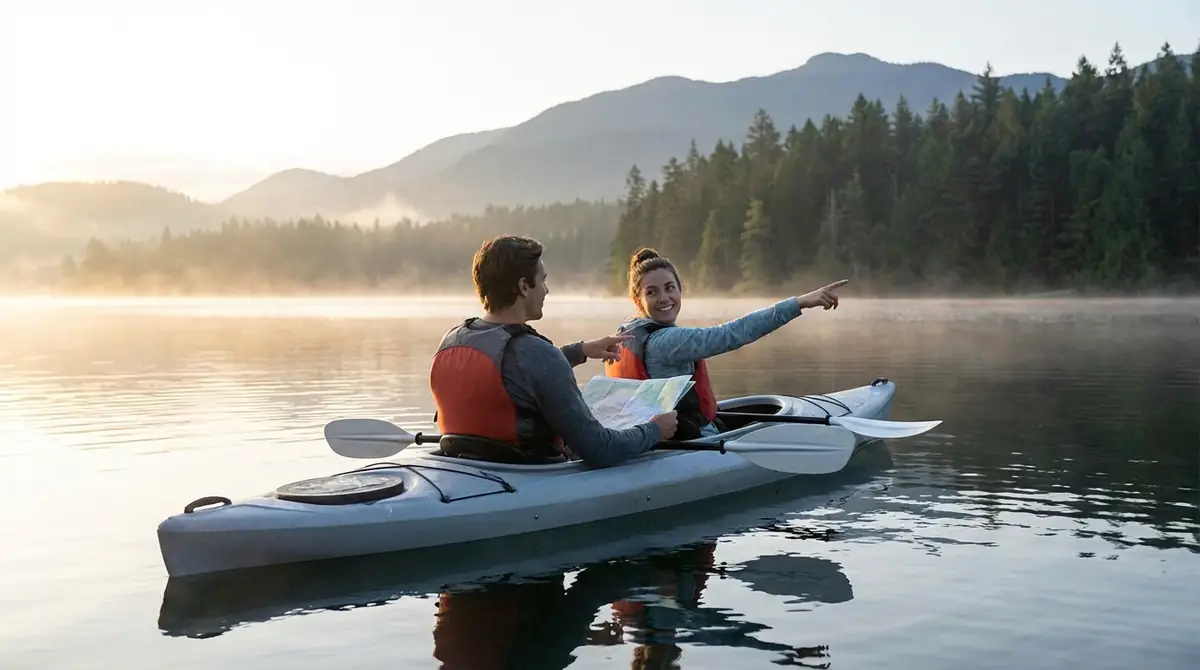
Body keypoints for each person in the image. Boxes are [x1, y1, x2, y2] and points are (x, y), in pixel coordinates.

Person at [428, 235, 678, 467]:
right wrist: (654, 430)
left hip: (464, 467)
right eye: (543, 280)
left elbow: (515, 373)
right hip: (531, 475)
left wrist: (580, 350)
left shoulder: (452, 339)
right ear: (524, 286)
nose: (546, 290)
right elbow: (599, 448)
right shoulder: (537, 354)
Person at [605, 248, 848, 440]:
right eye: (652, 292)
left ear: (680, 289)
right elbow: (732, 333)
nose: (664, 298)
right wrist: (800, 303)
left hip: (652, 438)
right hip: (690, 440)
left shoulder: (628, 331)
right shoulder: (666, 342)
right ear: (638, 299)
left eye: (669, 288)